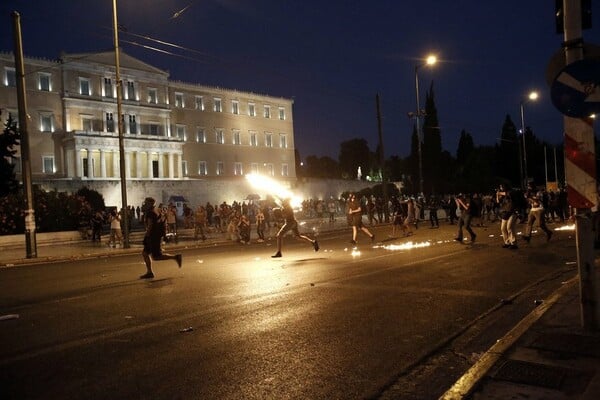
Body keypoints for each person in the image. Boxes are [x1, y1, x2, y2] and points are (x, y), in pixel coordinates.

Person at [140, 197, 182, 279]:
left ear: (149, 204)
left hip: (153, 237)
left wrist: (147, 236)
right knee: (145, 253)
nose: (144, 204)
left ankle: (176, 257)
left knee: (156, 257)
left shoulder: (150, 213)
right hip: (156, 236)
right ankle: (149, 272)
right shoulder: (157, 210)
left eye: (146, 203)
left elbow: (150, 225)